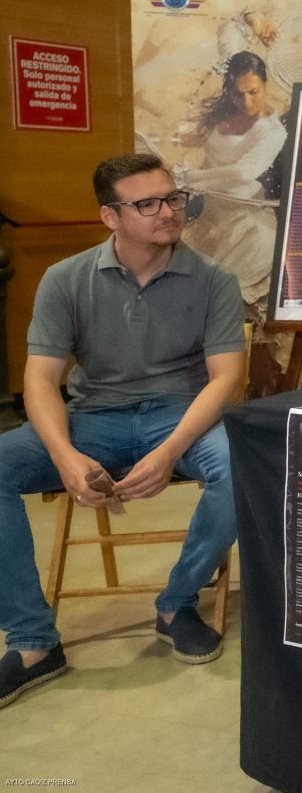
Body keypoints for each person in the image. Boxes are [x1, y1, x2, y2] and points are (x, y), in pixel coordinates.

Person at [0, 154, 244, 708]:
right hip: (94, 419)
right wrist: (65, 456)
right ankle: (34, 643)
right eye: (148, 204)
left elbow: (224, 379)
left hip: (180, 416)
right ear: (111, 217)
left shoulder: (214, 281)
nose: (168, 212)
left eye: (173, 198)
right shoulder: (66, 279)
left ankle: (176, 602)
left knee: (238, 465)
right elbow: (40, 379)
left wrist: (168, 452)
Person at [172, 50, 287, 303]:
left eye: (253, 92)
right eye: (238, 93)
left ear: (265, 85)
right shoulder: (223, 111)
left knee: (224, 289)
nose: (246, 102)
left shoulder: (273, 132)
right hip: (209, 213)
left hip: (243, 215)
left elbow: (241, 173)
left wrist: (190, 177)